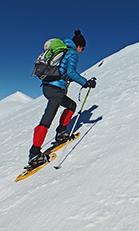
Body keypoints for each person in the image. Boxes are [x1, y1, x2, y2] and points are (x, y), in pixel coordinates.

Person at [28, 29, 96, 168]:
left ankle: (61, 132)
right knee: (47, 118)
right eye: (82, 48)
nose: (82, 51)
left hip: (48, 87)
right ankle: (34, 153)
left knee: (71, 106)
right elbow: (71, 72)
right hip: (56, 89)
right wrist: (86, 82)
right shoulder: (71, 53)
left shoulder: (63, 50)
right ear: (78, 45)